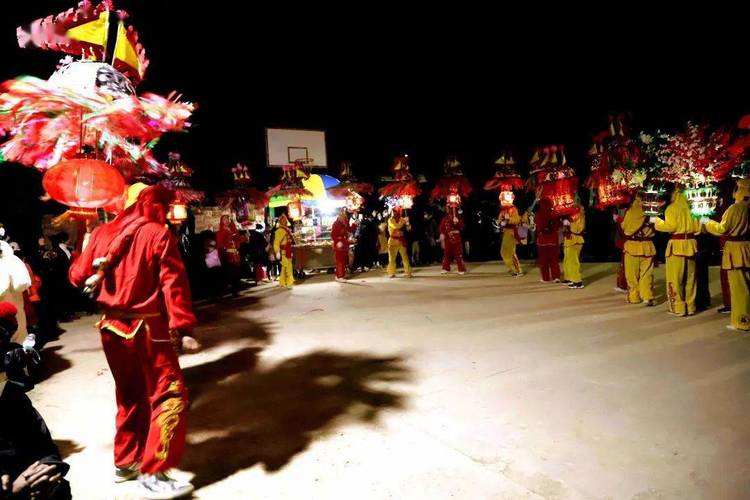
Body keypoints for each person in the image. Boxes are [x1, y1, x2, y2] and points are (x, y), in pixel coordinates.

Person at [68, 185, 198, 499]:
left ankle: (125, 461)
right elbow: (173, 283)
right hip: (147, 327)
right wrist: (184, 325)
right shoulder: (157, 234)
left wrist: (86, 243)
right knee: (168, 394)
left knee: (129, 395)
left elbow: (75, 276)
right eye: (166, 207)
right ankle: (154, 470)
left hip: (110, 328)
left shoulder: (101, 232)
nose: (168, 213)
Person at [0, 301, 71, 500]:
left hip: (22, 478)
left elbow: (45, 447)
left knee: (57, 488)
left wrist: (48, 468)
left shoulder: (11, 396)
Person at [703, 178, 750, 331]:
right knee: (746, 285)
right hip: (745, 247)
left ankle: (742, 321)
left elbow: (722, 229)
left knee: (738, 288)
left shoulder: (735, 208)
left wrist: (706, 221)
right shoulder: (747, 207)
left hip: (735, 248)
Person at [652, 187, 702, 317]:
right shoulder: (693, 208)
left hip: (677, 245)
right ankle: (691, 306)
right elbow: (698, 228)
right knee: (691, 278)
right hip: (691, 244)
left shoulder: (672, 208)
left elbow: (671, 226)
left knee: (675, 278)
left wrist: (656, 220)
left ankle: (678, 307)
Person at [620, 195, 657, 306]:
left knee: (632, 275)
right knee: (646, 274)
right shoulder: (652, 210)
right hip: (648, 245)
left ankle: (634, 296)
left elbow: (624, 227)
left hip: (632, 245)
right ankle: (647, 296)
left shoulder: (631, 212)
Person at [0, 240, 31, 343]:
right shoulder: (13, 260)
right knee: (19, 326)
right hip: (15, 299)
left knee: (12, 329)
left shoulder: (5, 262)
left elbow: (3, 287)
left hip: (6, 301)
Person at [216, 215, 246, 297]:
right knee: (228, 274)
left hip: (235, 255)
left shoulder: (233, 230)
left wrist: (244, 238)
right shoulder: (221, 232)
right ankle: (223, 293)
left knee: (236, 274)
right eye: (225, 219)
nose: (227, 221)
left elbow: (238, 240)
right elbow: (220, 245)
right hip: (227, 256)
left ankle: (235, 291)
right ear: (222, 221)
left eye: (228, 219)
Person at [535, 199, 561, 283]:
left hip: (542, 241)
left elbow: (539, 227)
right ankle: (556, 277)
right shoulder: (554, 214)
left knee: (543, 261)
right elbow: (558, 225)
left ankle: (545, 278)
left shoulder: (538, 214)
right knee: (554, 260)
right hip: (553, 240)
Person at [561, 205, 586, 289]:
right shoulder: (573, 214)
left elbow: (572, 222)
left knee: (573, 262)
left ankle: (577, 281)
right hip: (569, 240)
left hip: (575, 240)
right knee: (567, 260)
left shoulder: (578, 214)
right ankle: (569, 278)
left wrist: (567, 220)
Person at [386, 207, 412, 278]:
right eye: (393, 211)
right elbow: (396, 226)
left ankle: (408, 272)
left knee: (405, 258)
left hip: (401, 241)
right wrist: (403, 222)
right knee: (391, 259)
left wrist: (408, 224)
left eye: (395, 211)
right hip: (392, 241)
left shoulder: (402, 219)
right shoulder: (390, 220)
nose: (394, 213)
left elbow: (408, 229)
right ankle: (391, 272)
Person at [498, 205, 523, 276]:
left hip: (511, 232)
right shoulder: (502, 211)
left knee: (511, 252)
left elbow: (517, 220)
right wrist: (501, 222)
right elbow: (499, 221)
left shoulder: (513, 209)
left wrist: (509, 219)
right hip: (505, 232)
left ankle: (518, 270)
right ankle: (512, 268)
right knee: (503, 251)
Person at [273, 214, 294, 289]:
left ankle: (282, 282)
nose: (284, 222)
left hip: (287, 250)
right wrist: (277, 252)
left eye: (285, 220)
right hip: (283, 252)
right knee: (288, 267)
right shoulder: (279, 231)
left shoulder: (286, 230)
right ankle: (289, 282)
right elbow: (276, 242)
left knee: (285, 267)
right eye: (283, 220)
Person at [331, 210, 353, 281]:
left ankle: (339, 275)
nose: (345, 218)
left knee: (343, 260)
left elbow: (348, 230)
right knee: (340, 261)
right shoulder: (336, 224)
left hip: (344, 244)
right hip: (339, 244)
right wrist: (338, 241)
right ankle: (340, 276)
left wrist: (354, 225)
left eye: (345, 216)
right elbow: (333, 235)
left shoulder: (344, 223)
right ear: (339, 216)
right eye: (343, 216)